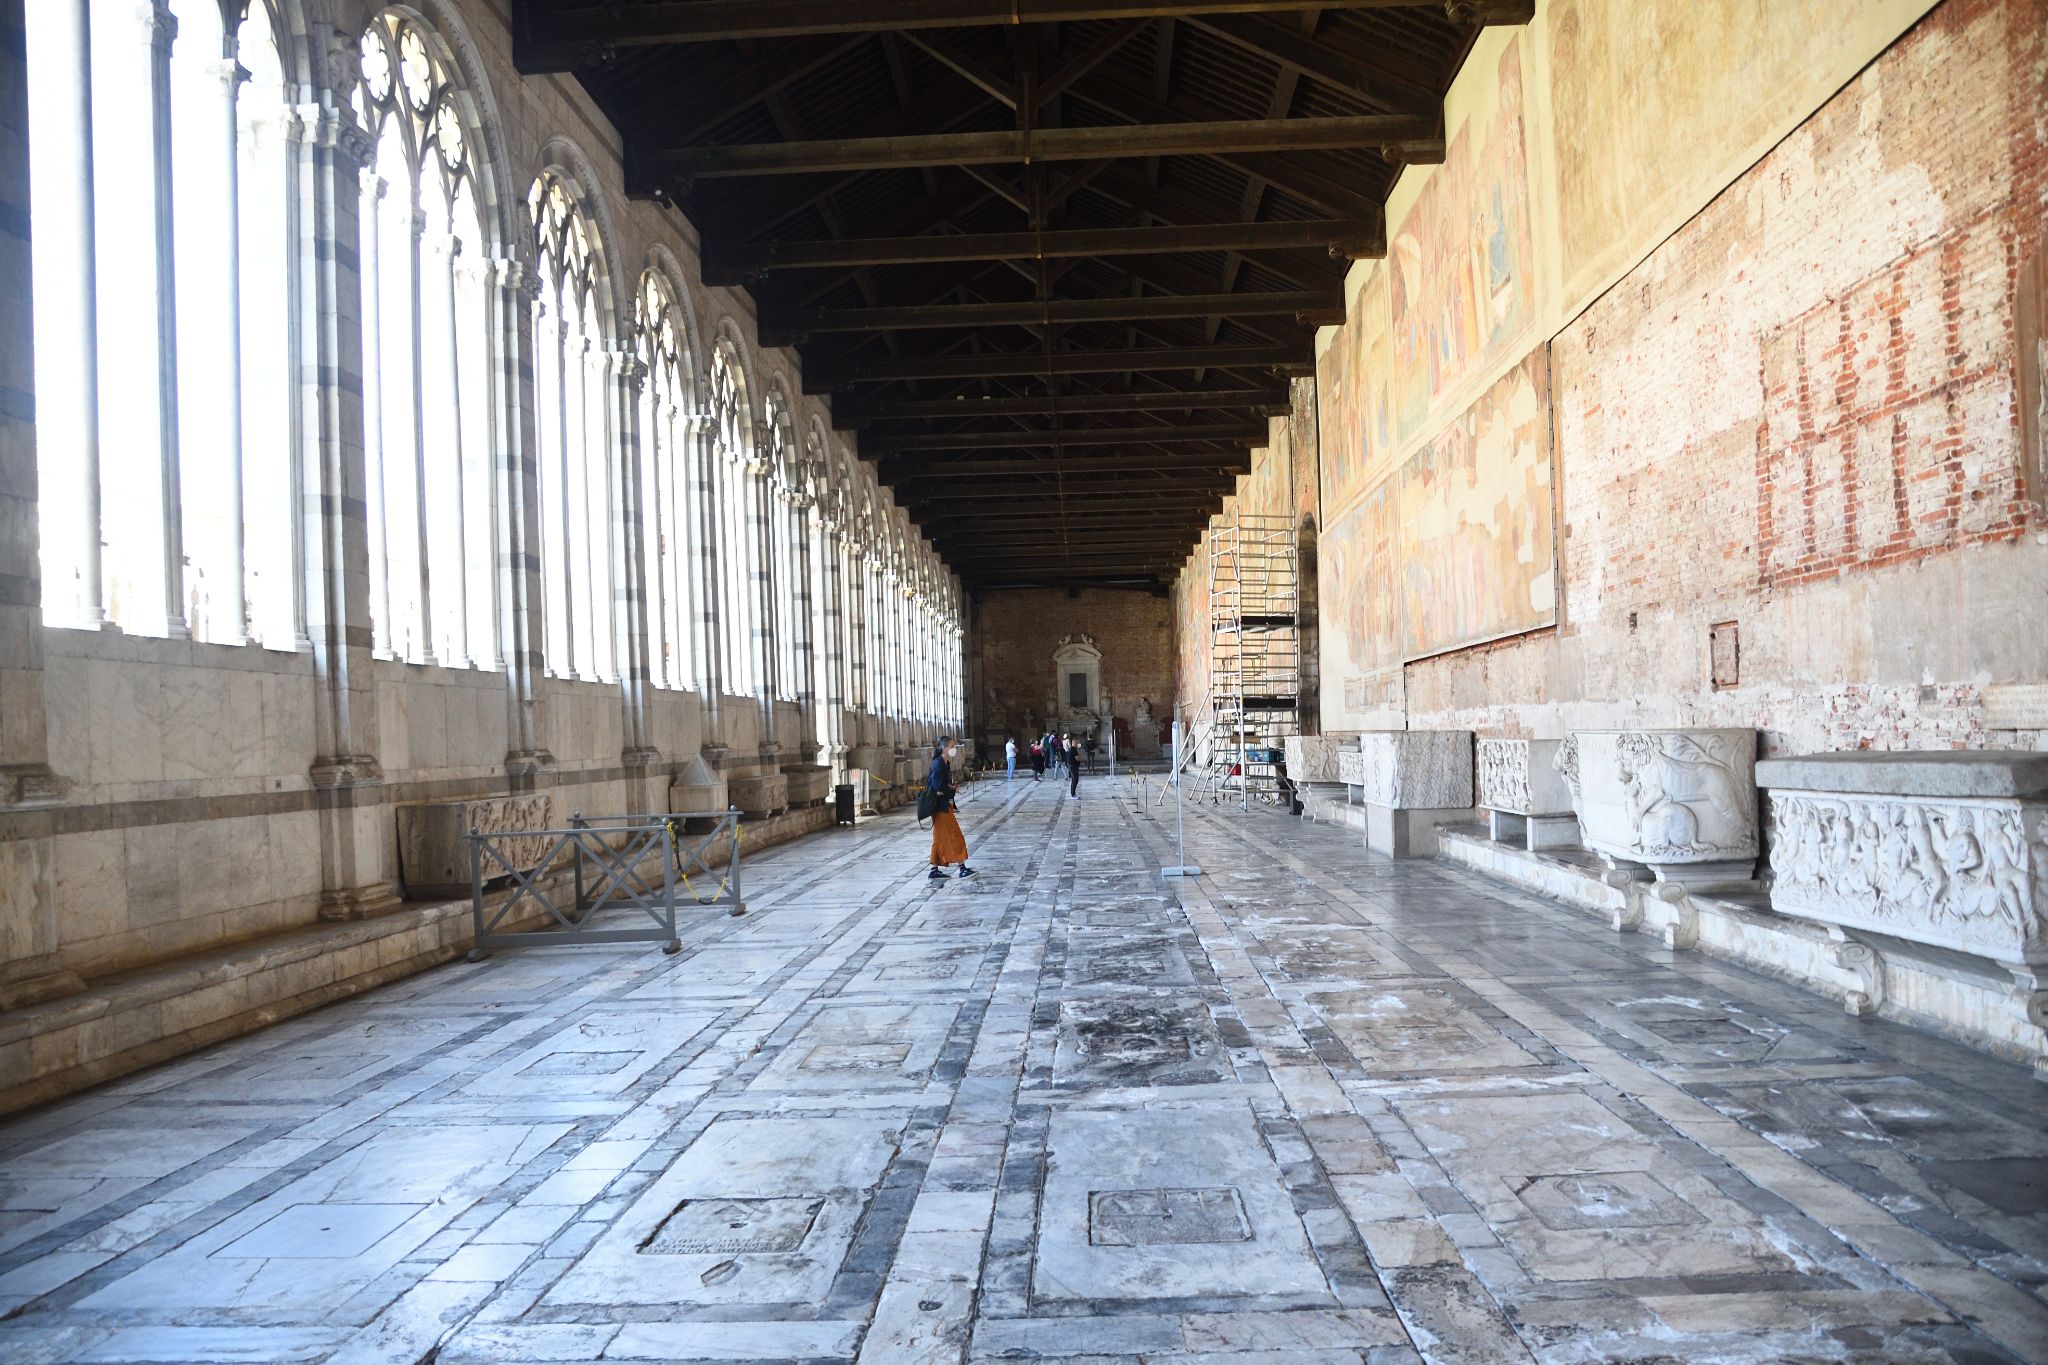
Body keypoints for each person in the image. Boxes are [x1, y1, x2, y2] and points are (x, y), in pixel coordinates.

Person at [925, 737, 975, 880]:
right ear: (943, 748)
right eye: (952, 746)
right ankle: (962, 869)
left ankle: (934, 870)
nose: (954, 749)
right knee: (955, 835)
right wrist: (950, 789)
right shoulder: (939, 763)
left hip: (940, 805)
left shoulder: (944, 762)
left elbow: (941, 784)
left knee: (939, 838)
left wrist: (950, 787)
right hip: (940, 807)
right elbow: (936, 786)